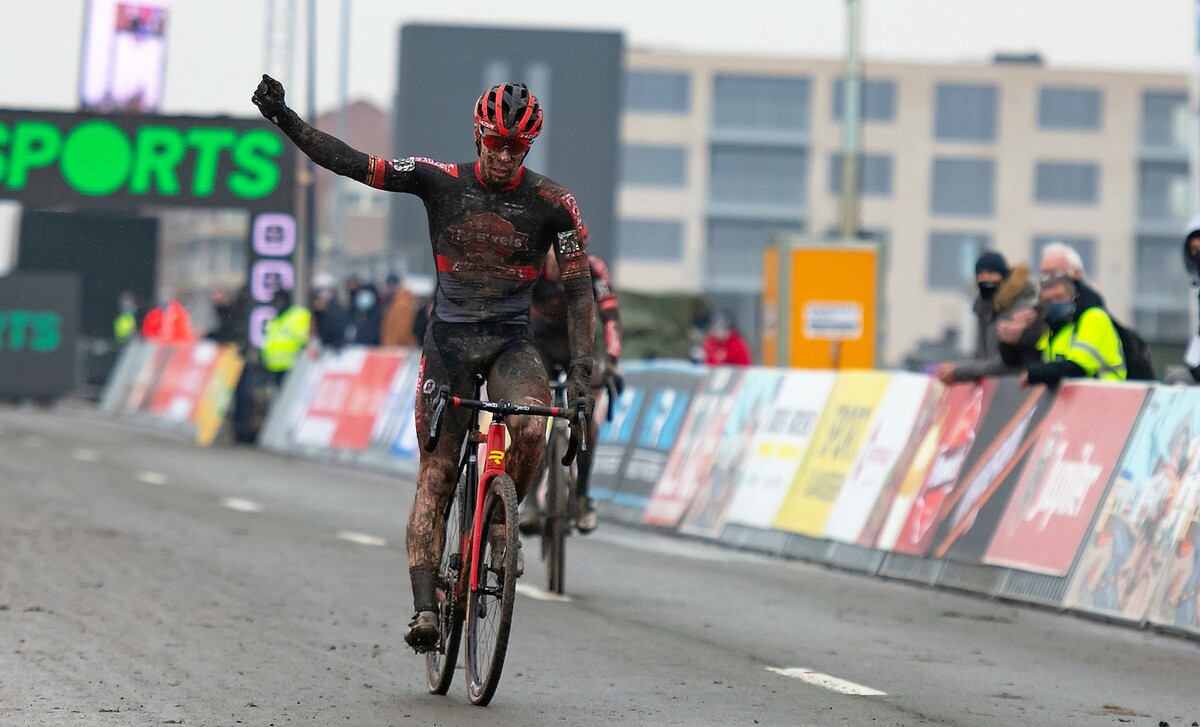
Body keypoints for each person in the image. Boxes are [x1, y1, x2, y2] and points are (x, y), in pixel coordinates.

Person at [252, 75, 596, 652]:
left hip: (514, 342)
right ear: (479, 134)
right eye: (496, 142)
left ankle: (496, 533)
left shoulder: (555, 204)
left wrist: (582, 376)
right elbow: (354, 164)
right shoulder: (439, 180)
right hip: (450, 344)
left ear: (530, 147)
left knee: (534, 426)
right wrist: (285, 119)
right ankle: (425, 610)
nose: (504, 155)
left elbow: (582, 293)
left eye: (517, 147)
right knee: (436, 476)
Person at [522, 252, 624, 535]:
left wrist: (613, 363)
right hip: (539, 342)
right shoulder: (534, 264)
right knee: (534, 418)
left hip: (577, 343)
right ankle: (531, 500)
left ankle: (581, 496)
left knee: (585, 414)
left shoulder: (594, 268)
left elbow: (611, 317)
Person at [1001, 275, 1126, 387]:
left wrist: (1034, 374)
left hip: (1108, 397)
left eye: (1059, 297)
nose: (1054, 303)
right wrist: (1013, 342)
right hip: (1079, 401)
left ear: (1073, 296)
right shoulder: (1052, 329)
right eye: (1048, 301)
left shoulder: (1094, 318)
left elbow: (1076, 368)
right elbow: (1032, 362)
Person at [935, 251, 1038, 383]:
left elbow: (1006, 364)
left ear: (1003, 275)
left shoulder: (1020, 308)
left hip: (1013, 388)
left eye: (990, 273)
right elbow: (981, 358)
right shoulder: (984, 309)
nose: (985, 279)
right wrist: (956, 368)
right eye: (980, 274)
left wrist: (959, 371)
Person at [260, 288, 312, 385]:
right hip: (275, 366)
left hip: (294, 365)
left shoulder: (299, 314)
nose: (277, 304)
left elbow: (307, 336)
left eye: (279, 300)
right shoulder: (275, 319)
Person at [380, 273, 420, 347]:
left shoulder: (402, 303)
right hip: (399, 346)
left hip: (400, 347)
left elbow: (402, 328)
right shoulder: (398, 301)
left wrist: (392, 345)